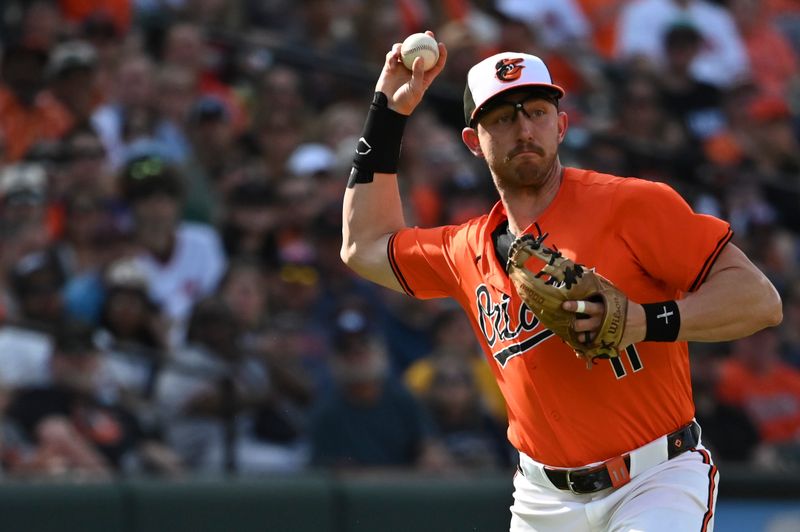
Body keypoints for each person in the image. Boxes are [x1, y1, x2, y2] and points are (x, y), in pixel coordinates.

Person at [340, 33, 783, 531]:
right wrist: (389, 113)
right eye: (503, 118)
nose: (523, 128)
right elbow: (363, 245)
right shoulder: (465, 248)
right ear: (473, 141)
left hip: (654, 479)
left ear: (562, 124)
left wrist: (645, 320)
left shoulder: (630, 205)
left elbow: (759, 300)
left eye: (536, 111)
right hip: (541, 498)